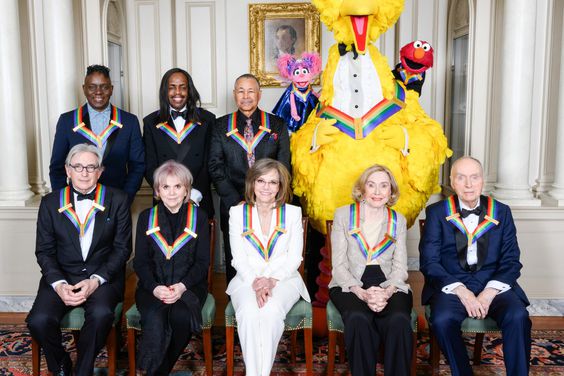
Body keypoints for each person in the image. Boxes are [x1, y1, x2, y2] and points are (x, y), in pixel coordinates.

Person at [419, 156, 531, 376]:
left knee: (518, 316)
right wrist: (462, 292)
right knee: (442, 320)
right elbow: (429, 262)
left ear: (482, 181)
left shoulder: (502, 212)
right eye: (461, 178)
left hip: (493, 283)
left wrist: (489, 292)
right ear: (452, 182)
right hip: (452, 284)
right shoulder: (436, 212)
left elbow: (511, 260)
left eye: (474, 177)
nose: (469, 184)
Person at [27, 143, 132, 376]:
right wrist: (59, 284)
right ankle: (62, 365)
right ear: (67, 170)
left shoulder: (118, 200)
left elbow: (123, 249)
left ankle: (83, 371)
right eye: (78, 166)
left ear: (100, 171)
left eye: (91, 167)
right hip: (62, 276)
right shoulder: (50, 203)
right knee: (39, 320)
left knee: (102, 314)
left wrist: (96, 280)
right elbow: (44, 251)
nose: (84, 172)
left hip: (102, 276)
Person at [226, 158, 310, 376]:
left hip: (284, 279)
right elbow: (238, 258)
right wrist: (256, 281)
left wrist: (271, 280)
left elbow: (294, 258)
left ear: (280, 186)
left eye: (273, 182)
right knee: (249, 313)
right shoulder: (237, 213)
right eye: (261, 180)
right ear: (252, 183)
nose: (266, 187)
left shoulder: (292, 213)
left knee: (270, 310)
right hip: (247, 279)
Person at [328, 164, 413, 376]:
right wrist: (362, 293)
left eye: (384, 186)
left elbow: (401, 266)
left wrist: (387, 291)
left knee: (398, 320)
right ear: (362, 188)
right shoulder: (343, 215)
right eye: (371, 185)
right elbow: (338, 265)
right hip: (350, 282)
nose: (377, 192)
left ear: (391, 191)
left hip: (389, 283)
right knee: (358, 318)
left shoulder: (398, 220)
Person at [209, 73, 290, 284]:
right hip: (233, 203)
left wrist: (267, 199)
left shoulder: (277, 125)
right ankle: (236, 309)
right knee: (235, 261)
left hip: (270, 205)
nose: (246, 96)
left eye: (251, 91)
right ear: (235, 94)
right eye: (241, 91)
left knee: (270, 259)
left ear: (260, 94)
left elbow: (284, 167)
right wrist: (237, 202)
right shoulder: (219, 126)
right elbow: (215, 166)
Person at [133, 160, 210, 375]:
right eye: (166, 187)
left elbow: (203, 262)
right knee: (155, 317)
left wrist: (182, 286)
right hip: (152, 286)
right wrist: (155, 287)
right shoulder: (146, 218)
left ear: (187, 189)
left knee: (180, 316)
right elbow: (140, 262)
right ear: (158, 190)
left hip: (189, 286)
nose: (172, 192)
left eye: (178, 186)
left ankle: (156, 372)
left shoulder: (200, 218)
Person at [49, 64, 145, 202]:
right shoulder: (67, 121)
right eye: (92, 87)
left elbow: (138, 166)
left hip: (116, 201)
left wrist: (125, 198)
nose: (98, 92)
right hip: (77, 202)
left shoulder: (129, 121)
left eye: (104, 87)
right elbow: (57, 167)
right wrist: (65, 201)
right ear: (84, 89)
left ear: (111, 90)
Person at [143, 68, 215, 217]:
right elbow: (150, 165)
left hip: (198, 198)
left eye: (183, 87)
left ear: (189, 91)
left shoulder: (208, 119)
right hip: (165, 200)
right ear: (165, 91)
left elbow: (210, 161)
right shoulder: (150, 122)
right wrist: (169, 192)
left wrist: (193, 193)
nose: (178, 92)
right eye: (172, 87)